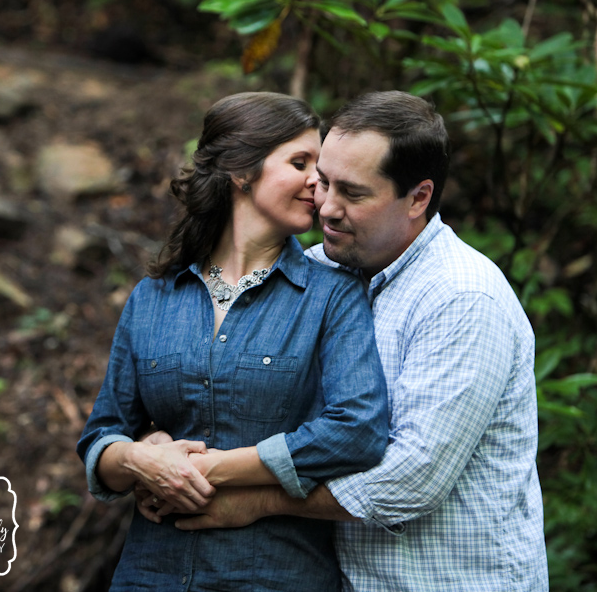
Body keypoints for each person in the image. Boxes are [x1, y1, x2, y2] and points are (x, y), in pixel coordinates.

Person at [149, 91, 549, 591]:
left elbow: (410, 479)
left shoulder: (462, 297)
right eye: (324, 182)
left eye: (354, 194)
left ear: (418, 198)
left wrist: (259, 499)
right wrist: (156, 445)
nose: (327, 209)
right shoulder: (316, 272)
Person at [77, 92, 390, 591]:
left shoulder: (333, 296)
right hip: (149, 575)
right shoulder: (154, 297)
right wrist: (140, 459)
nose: (319, 183)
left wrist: (214, 470)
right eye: (300, 162)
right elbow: (102, 437)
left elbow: (358, 429)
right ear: (241, 172)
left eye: (323, 169)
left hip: (273, 574)